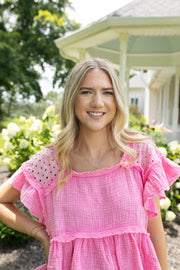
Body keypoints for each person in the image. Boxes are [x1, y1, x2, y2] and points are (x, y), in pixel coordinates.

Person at [0, 58, 180, 270]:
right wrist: (39, 232)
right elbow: (2, 201)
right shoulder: (52, 161)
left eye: (107, 92)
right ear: (72, 98)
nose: (98, 102)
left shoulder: (138, 153)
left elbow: (156, 234)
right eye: (86, 92)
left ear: (117, 99)